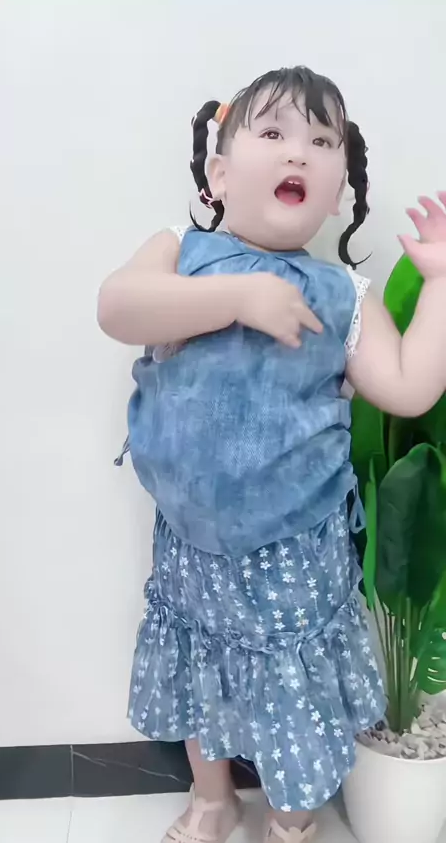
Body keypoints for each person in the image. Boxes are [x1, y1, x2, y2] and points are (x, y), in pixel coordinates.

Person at [97, 66, 446, 843]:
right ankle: (213, 798)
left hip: (296, 550)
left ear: (338, 190)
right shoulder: (180, 249)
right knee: (199, 669)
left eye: (322, 141)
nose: (298, 152)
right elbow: (118, 308)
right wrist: (237, 296)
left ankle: (292, 821)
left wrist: (441, 284)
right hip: (191, 543)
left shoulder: (342, 294)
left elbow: (409, 386)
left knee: (294, 696)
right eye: (274, 132)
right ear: (220, 174)